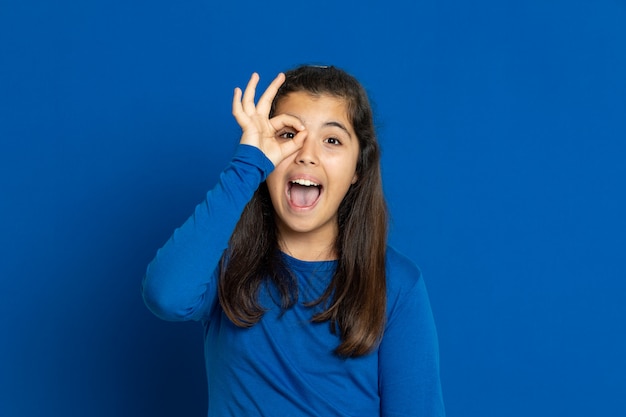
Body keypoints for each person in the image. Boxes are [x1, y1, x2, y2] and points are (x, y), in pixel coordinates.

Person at [142, 65, 445, 416]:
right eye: (288, 134)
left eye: (332, 140)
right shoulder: (225, 264)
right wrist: (247, 166)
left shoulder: (397, 284)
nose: (306, 154)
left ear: (357, 170)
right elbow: (165, 295)